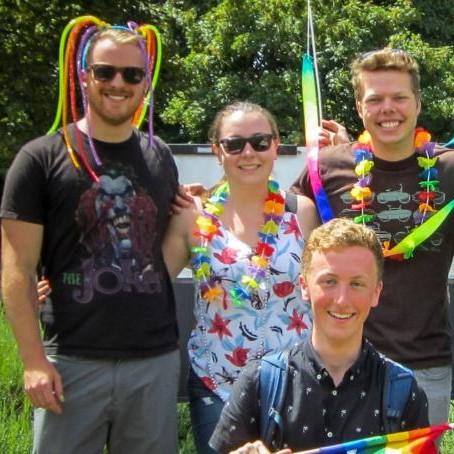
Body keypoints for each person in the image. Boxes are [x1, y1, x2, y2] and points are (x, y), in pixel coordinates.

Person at [1, 19, 181, 454]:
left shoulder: (160, 157)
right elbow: (16, 268)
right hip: (71, 360)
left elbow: (161, 260)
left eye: (132, 74)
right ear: (84, 76)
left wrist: (189, 221)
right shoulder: (41, 157)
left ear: (145, 82)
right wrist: (33, 362)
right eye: (105, 72)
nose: (118, 83)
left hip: (153, 360)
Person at [292, 47, 454, 426]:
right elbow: (273, 208)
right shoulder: (328, 168)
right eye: (375, 99)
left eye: (399, 97)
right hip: (340, 366)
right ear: (359, 106)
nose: (388, 109)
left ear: (417, 102)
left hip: (425, 365)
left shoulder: (449, 170)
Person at [160, 101, 319, 453]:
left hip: (294, 381)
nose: (248, 152)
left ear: (276, 145)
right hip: (217, 382)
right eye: (234, 144)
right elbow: (150, 284)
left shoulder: (301, 212)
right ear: (218, 151)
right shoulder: (192, 216)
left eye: (260, 141)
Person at [209, 218, 430, 453]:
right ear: (304, 286)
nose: (342, 300)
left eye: (357, 284)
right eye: (329, 281)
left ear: (376, 292)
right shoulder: (261, 382)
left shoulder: (402, 390)